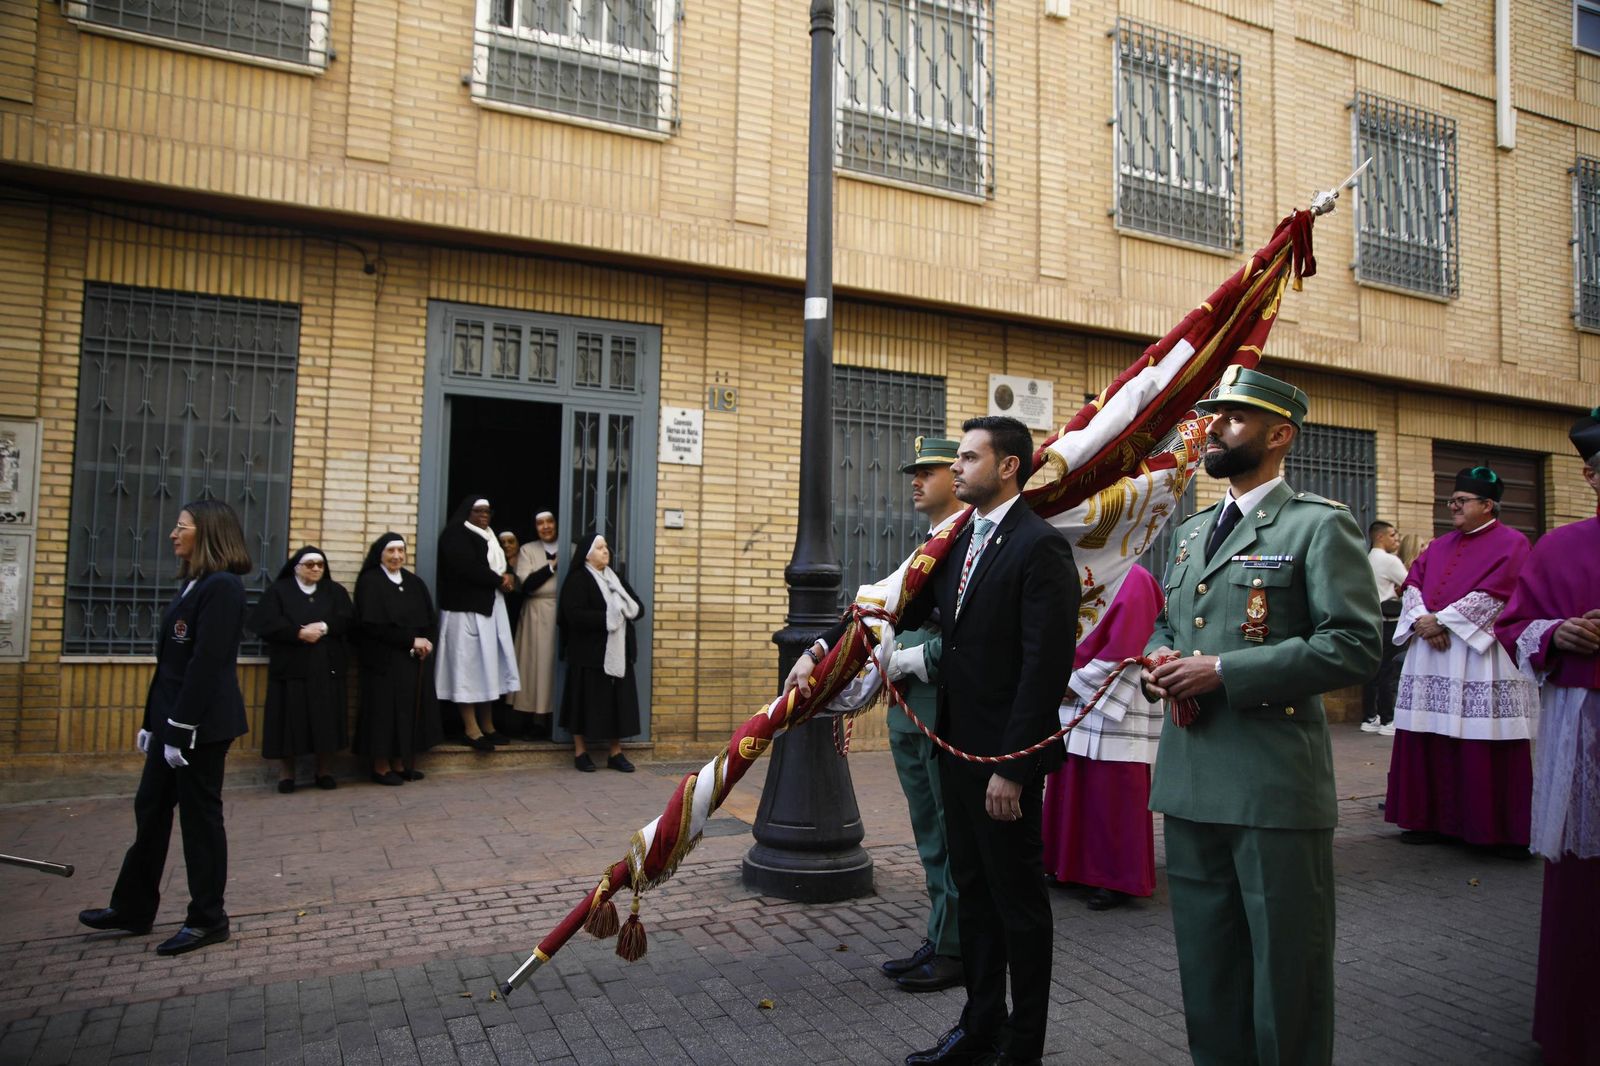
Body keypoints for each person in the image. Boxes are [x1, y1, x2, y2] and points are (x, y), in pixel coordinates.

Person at [788, 415, 1079, 1066]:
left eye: (968, 459)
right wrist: (820, 650)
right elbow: (893, 613)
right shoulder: (957, 543)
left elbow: (1044, 667)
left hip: (1002, 762)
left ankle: (1021, 1046)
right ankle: (979, 1029)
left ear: (1007, 467)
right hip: (955, 748)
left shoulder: (1039, 547)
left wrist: (1016, 767)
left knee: (1019, 905)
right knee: (973, 894)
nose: (956, 470)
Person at [1139, 367, 1380, 1066]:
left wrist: (1224, 671)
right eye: (1214, 418)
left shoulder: (1316, 525)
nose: (1214, 429)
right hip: (1191, 777)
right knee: (1208, 966)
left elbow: (1355, 643)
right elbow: (1165, 625)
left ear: (1280, 436)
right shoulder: (1188, 534)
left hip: (1272, 782)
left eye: (1234, 419)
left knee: (1286, 966)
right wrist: (1160, 664)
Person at [78, 499, 254, 956]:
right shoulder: (193, 584)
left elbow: (207, 665)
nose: (174, 535)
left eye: (183, 527)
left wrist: (179, 726)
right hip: (171, 723)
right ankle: (134, 907)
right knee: (151, 809)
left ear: (209, 534)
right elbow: (171, 666)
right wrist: (151, 724)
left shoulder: (223, 587)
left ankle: (208, 919)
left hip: (200, 727)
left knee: (200, 820)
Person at [1494, 407, 1600, 1066]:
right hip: (1587, 728)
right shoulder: (1559, 548)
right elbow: (1514, 626)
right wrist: (1557, 633)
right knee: (1584, 891)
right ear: (1590, 477)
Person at [1385, 466, 1539, 850]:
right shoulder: (1438, 545)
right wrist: (1422, 621)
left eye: (1461, 501)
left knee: (1479, 737)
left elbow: (1500, 592)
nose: (1452, 506)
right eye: (1451, 500)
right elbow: (1412, 583)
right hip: (1431, 655)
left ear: (1488, 505)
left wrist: (1443, 622)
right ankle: (1426, 819)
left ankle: (1489, 829)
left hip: (1476, 656)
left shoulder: (1513, 542)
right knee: (1426, 733)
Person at [879, 437, 964, 994]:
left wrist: (915, 657)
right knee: (928, 830)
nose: (915, 480)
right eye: (914, 472)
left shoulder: (965, 542)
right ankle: (941, 933)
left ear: (957, 477)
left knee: (951, 832)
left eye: (927, 472)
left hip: (941, 704)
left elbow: (974, 636)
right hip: (909, 707)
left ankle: (958, 946)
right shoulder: (930, 544)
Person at [1041, 564, 1163, 912]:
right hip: (1070, 693)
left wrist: (1072, 683)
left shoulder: (1134, 577)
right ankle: (1068, 867)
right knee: (1068, 780)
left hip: (1115, 697)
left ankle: (1114, 877)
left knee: (1111, 790)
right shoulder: (1072, 571)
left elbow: (1128, 645)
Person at [249, 546, 353, 792]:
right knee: (289, 722)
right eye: (310, 564)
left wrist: (325, 627)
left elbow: (348, 619)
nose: (316, 568)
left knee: (325, 721)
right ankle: (287, 774)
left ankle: (324, 771)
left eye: (320, 564)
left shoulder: (334, 591)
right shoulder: (279, 591)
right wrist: (298, 633)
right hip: (291, 668)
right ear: (296, 567)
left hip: (326, 668)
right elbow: (265, 623)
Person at [353, 533, 444, 785]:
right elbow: (372, 626)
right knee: (385, 713)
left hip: (413, 660)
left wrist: (425, 642)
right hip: (383, 660)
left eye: (401, 551)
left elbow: (429, 619)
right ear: (380, 554)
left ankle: (401, 763)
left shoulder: (414, 583)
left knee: (407, 713)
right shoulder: (371, 582)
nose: (396, 556)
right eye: (391, 551)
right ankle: (380, 766)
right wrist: (409, 641)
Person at [434, 496, 520, 750]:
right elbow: (466, 567)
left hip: (491, 609)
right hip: (465, 612)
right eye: (478, 510)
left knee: (488, 667)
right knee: (468, 669)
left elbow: (501, 567)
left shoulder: (491, 535)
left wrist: (509, 577)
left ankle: (488, 725)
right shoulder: (455, 534)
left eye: (487, 511)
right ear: (467, 511)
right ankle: (471, 729)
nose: (484, 515)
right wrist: (498, 580)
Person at [558, 532, 644, 773]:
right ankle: (580, 752)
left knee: (615, 704)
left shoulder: (614, 578)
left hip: (617, 653)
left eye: (606, 547)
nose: (606, 551)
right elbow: (573, 615)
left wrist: (623, 611)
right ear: (587, 554)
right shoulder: (578, 579)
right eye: (599, 548)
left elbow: (638, 607)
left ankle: (615, 753)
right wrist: (607, 618)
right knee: (582, 701)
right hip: (588, 654)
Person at [510, 510, 561, 740]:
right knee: (534, 667)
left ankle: (556, 719)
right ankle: (536, 720)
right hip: (535, 614)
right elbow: (527, 584)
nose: (546, 527)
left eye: (549, 522)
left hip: (559, 612)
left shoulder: (568, 546)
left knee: (554, 666)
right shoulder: (527, 550)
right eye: (540, 523)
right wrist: (551, 567)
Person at [1362, 520, 1409, 736]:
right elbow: (1411, 584)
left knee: (1371, 669)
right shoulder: (1390, 561)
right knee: (1388, 670)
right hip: (1388, 621)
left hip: (1368, 619)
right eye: (1392, 535)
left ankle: (1370, 716)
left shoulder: (1365, 559)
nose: (1395, 540)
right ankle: (1387, 719)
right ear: (1379, 536)